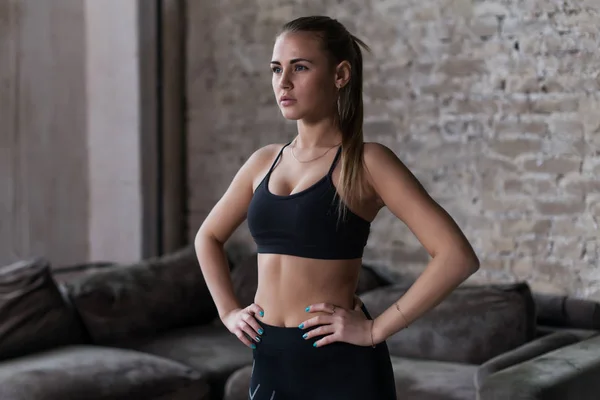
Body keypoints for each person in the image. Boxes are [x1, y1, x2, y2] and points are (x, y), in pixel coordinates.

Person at [194, 15, 480, 400]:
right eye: (277, 69)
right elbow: (208, 237)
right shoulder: (263, 162)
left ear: (340, 75)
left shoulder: (367, 162)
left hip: (340, 366)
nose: (284, 81)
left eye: (301, 67)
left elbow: (456, 256)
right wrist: (229, 312)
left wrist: (375, 329)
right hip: (271, 360)